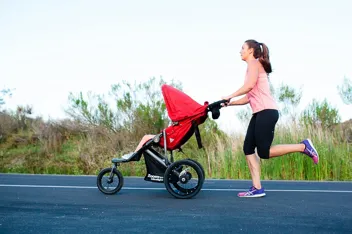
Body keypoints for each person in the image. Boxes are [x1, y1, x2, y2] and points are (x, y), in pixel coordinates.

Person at [221, 39, 319, 198]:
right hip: (259, 112)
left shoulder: (254, 64)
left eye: (242, 48)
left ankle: (303, 147)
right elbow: (249, 96)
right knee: (248, 148)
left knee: (264, 152)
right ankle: (257, 187)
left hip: (267, 112)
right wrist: (230, 103)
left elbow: (249, 86)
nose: (240, 51)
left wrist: (229, 95)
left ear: (251, 51)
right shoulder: (251, 67)